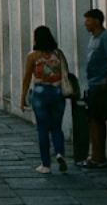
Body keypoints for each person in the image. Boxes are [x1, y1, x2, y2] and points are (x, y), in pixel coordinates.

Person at [19, 25, 70, 173]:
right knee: (56, 127)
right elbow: (65, 73)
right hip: (57, 92)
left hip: (40, 92)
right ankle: (60, 153)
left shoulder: (33, 56)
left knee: (42, 128)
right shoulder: (58, 54)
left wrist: (22, 98)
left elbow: (27, 77)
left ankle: (45, 164)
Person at [81, 8, 107, 169]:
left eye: (88, 20)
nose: (85, 24)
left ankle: (99, 157)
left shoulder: (105, 38)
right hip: (93, 83)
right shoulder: (93, 39)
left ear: (96, 21)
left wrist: (106, 81)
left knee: (98, 120)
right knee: (93, 120)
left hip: (101, 84)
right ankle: (95, 155)